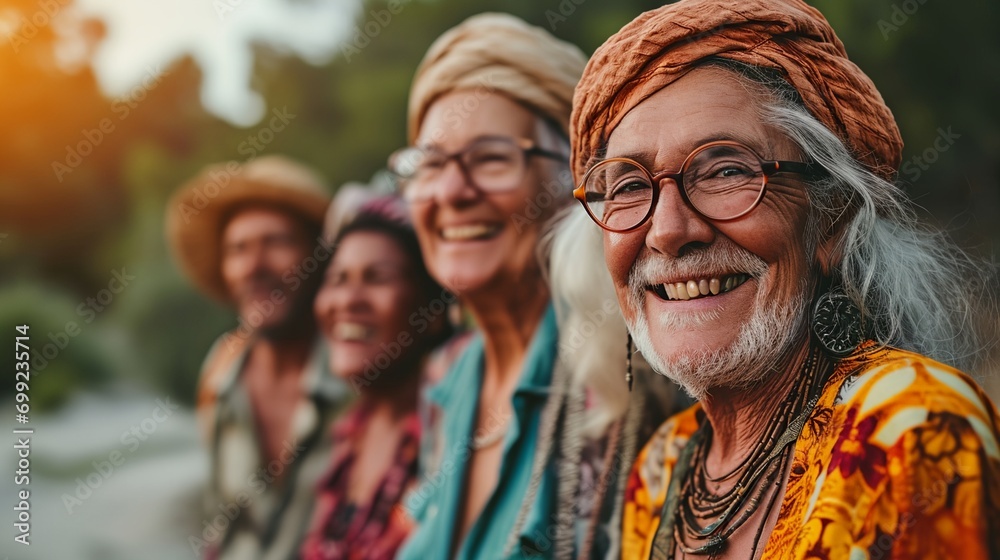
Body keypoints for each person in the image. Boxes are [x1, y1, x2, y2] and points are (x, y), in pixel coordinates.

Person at [568, 0, 1000, 558]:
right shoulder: (661, 469)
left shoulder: (911, 429)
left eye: (726, 170)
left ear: (830, 219)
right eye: (628, 184)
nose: (668, 231)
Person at [388, 13, 685, 559]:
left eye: (492, 158)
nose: (452, 191)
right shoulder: (444, 380)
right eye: (429, 164)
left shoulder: (634, 375)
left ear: (575, 179)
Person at [166, 155, 348, 560]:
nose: (254, 266)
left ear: (321, 255)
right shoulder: (219, 373)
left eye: (277, 242)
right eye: (237, 249)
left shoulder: (363, 373)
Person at [298, 194, 454, 560]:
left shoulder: (450, 434)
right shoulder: (348, 435)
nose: (348, 300)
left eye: (377, 278)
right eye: (336, 279)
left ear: (433, 311)